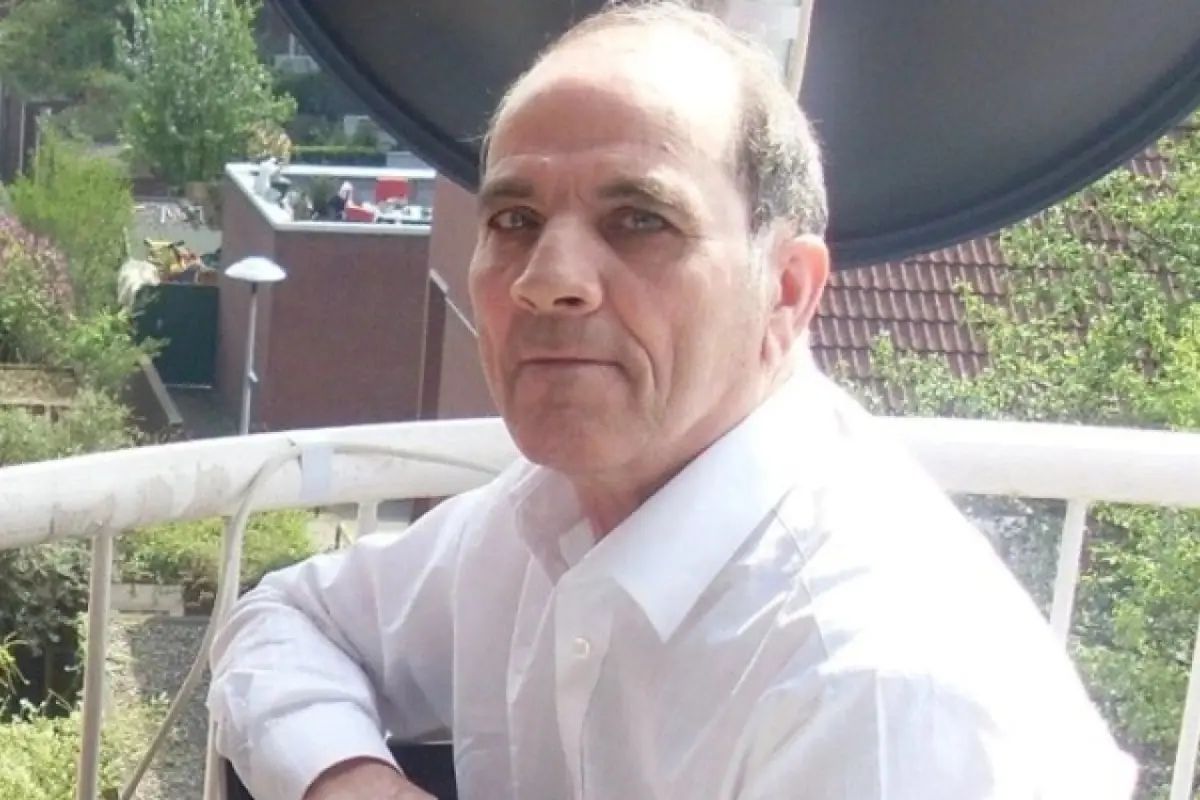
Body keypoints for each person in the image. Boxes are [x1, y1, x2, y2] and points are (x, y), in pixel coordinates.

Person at [208, 2, 1137, 799]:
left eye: (640, 221)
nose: (548, 279)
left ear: (785, 291)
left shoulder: (883, 697)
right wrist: (348, 778)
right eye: (515, 219)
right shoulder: (544, 519)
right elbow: (288, 621)